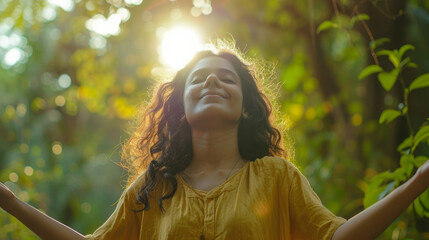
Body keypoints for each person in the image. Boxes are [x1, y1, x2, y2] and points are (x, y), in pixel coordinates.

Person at [0, 48, 428, 240]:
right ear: (181, 111)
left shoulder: (276, 177)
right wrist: (12, 203)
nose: (211, 81)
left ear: (245, 108)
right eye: (198, 79)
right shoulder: (154, 187)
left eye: (226, 78)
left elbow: (337, 237)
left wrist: (418, 182)